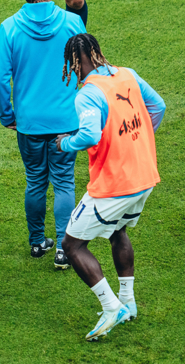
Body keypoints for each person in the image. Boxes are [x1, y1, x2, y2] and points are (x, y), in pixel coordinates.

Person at [55, 34, 165, 340]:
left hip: (115, 184)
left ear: (74, 64)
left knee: (72, 245)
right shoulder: (127, 74)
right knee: (118, 232)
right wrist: (135, 142)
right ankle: (128, 301)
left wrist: (65, 143)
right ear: (98, 52)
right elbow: (159, 107)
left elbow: (89, 136)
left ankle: (111, 307)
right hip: (144, 176)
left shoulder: (87, 94)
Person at [0, 0, 86, 268]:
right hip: (67, 122)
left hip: (29, 123)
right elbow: (87, 70)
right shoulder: (73, 23)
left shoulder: (9, 28)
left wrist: (8, 115)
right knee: (63, 182)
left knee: (35, 181)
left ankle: (36, 243)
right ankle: (63, 248)